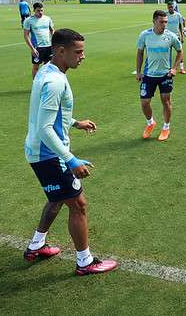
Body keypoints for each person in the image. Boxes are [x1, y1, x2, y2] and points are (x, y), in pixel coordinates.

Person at [23, 28, 118, 276]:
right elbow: (45, 128)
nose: (82, 56)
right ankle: (85, 262)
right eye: (78, 52)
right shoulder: (54, 82)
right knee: (78, 204)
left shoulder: (47, 72)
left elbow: (49, 114)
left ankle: (36, 246)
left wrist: (75, 123)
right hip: (48, 154)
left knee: (57, 199)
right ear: (60, 51)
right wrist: (70, 159)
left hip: (42, 151)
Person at [137, 11, 183, 141]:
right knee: (145, 102)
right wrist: (138, 71)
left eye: (166, 22)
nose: (164, 24)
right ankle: (150, 123)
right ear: (154, 21)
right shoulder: (145, 35)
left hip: (165, 75)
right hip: (148, 74)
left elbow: (180, 51)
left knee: (166, 101)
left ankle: (166, 127)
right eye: (161, 22)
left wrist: (174, 68)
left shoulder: (171, 36)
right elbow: (140, 53)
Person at [23, 2, 55, 79]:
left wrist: (54, 42)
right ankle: (35, 84)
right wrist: (32, 49)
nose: (40, 12)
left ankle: (45, 82)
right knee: (36, 66)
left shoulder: (47, 19)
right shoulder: (28, 20)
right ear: (34, 10)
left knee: (48, 66)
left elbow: (52, 30)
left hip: (48, 46)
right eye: (38, 11)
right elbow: (26, 35)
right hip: (37, 48)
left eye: (41, 10)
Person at [166, 1, 186, 74]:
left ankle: (181, 68)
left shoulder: (178, 15)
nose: (170, 8)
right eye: (169, 7)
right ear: (167, 7)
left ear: (173, 7)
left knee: (180, 52)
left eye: (171, 7)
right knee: (167, 53)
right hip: (167, 37)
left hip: (176, 36)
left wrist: (182, 36)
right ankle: (168, 68)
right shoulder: (165, 14)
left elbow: (180, 26)